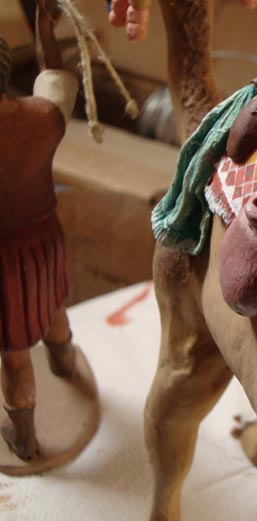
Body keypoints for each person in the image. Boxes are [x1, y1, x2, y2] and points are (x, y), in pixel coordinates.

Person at [0, 0, 79, 461]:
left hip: (5, 258)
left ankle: (25, 437)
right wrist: (44, 30)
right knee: (51, 306)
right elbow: (55, 77)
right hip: (45, 240)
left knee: (13, 350)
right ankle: (64, 364)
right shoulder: (42, 116)